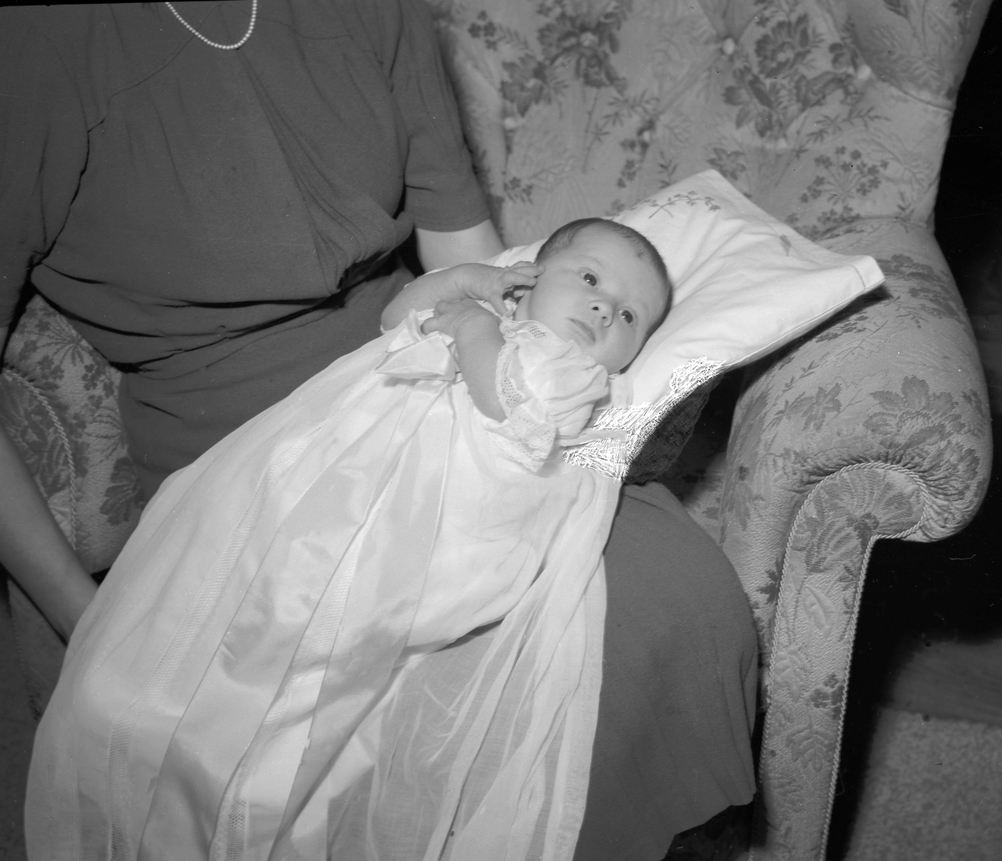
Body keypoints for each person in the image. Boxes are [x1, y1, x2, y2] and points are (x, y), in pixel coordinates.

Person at [0, 3, 757, 859]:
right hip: (245, 453)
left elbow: (473, 261)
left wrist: (536, 344)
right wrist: (89, 615)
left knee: (672, 603)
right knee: (333, 746)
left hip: (446, 393)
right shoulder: (34, 44)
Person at [27, 219, 672, 859]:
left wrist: (472, 328)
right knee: (248, 567)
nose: (603, 310)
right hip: (354, 483)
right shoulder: (491, 310)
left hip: (430, 527)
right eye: (590, 279)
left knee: (318, 648)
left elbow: (509, 404)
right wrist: (465, 282)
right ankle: (179, 726)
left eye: (629, 317)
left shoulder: (571, 370)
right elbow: (397, 317)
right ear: (531, 277)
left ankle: (237, 774)